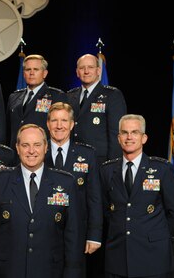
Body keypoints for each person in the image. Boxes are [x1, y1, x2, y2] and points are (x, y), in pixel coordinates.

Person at [0, 124, 82, 278]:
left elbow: (73, 236)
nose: (31, 151)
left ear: (46, 147)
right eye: (25, 145)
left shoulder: (66, 183)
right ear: (17, 148)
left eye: (37, 145)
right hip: (9, 271)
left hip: (51, 271)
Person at [100, 114, 174, 278]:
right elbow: (105, 209)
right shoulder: (106, 170)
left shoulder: (162, 169)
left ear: (144, 138)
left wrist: (156, 235)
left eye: (135, 132)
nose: (129, 137)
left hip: (154, 257)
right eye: (124, 132)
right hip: (118, 256)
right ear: (118, 138)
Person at [45, 101, 102, 277]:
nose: (59, 126)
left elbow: (94, 197)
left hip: (77, 232)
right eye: (54, 121)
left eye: (64, 120)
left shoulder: (87, 154)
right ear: (47, 124)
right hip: (43, 230)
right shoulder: (36, 151)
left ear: (72, 124)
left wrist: (94, 234)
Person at [67, 53, 127, 165]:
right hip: (73, 159)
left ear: (98, 71)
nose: (86, 71)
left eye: (90, 67)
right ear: (77, 72)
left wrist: (112, 165)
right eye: (82, 68)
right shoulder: (70, 96)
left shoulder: (112, 95)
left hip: (99, 161)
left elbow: (116, 134)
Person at [7, 54, 67, 149]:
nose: (31, 73)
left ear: (44, 73)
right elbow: (8, 129)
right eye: (28, 69)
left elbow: (62, 130)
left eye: (36, 69)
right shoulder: (14, 97)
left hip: (43, 155)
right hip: (16, 155)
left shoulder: (57, 97)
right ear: (24, 73)